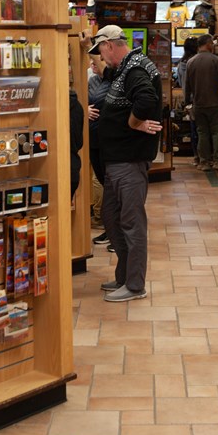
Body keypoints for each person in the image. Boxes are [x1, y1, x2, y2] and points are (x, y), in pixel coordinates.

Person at [86, 24, 163, 303]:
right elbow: (106, 72)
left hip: (129, 161)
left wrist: (135, 123)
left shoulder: (136, 68)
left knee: (131, 222)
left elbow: (146, 98)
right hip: (117, 161)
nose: (101, 58)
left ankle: (134, 285)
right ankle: (124, 275)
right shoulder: (125, 67)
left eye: (100, 51)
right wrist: (86, 46)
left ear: (109, 45)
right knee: (112, 217)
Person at [183, 33, 218, 172]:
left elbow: (187, 86)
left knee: (202, 133)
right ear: (208, 44)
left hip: (198, 104)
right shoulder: (216, 61)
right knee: (217, 133)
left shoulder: (191, 62)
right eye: (212, 44)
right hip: (215, 104)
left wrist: (187, 103)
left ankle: (204, 162)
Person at [84, 45, 114, 244]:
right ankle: (110, 229)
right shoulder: (90, 81)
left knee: (113, 187)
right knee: (104, 184)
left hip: (110, 142)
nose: (93, 64)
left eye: (97, 60)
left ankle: (116, 234)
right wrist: (84, 108)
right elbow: (78, 102)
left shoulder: (114, 82)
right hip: (92, 141)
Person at [176, 36, 199, 166]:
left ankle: (196, 156)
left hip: (189, 100)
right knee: (202, 130)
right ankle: (204, 157)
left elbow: (180, 82)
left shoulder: (181, 63)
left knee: (194, 130)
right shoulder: (196, 62)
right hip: (200, 98)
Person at [69, 88, 84, 201]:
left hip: (66, 165)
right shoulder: (78, 106)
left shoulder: (59, 107)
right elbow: (79, 142)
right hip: (74, 163)